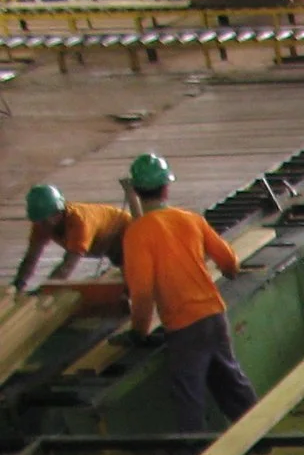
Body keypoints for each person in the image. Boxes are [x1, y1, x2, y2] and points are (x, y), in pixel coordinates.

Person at [120, 155, 257, 435]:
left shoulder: (137, 234)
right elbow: (229, 261)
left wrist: (139, 332)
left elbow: (142, 292)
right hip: (214, 315)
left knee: (189, 397)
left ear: (135, 191)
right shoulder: (190, 219)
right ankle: (261, 438)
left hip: (183, 327)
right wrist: (230, 273)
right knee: (231, 382)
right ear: (166, 189)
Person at [15, 186, 128, 292]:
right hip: (103, 242)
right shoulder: (42, 223)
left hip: (126, 233)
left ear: (58, 212)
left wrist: (44, 290)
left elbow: (67, 266)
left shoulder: (79, 223)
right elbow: (31, 257)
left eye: (45, 221)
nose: (42, 226)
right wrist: (18, 284)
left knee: (130, 276)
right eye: (39, 221)